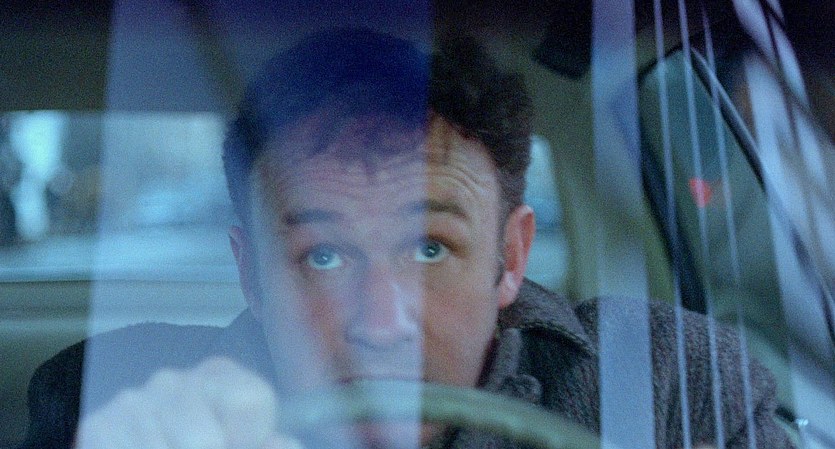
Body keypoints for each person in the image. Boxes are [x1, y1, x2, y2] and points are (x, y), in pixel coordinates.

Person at [20, 28, 793, 449]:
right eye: (323, 256)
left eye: (429, 248)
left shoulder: (668, 382)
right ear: (251, 274)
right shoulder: (108, 397)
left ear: (509, 258)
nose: (381, 323)